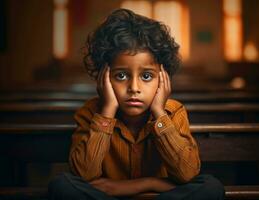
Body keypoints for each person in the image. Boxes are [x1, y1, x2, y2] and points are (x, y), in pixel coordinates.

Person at [48, 8, 224, 200]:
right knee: (62, 185)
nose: (134, 87)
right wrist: (107, 113)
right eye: (121, 75)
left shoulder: (173, 112)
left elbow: (187, 173)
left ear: (162, 79)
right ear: (102, 78)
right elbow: (84, 174)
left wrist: (147, 183)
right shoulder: (91, 112)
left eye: (146, 76)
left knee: (211, 187)